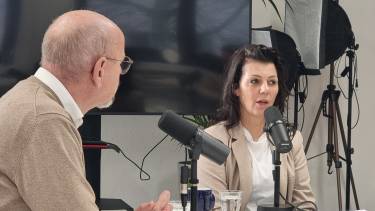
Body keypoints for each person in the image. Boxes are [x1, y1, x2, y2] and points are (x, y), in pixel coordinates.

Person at [0, 10, 171, 211]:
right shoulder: (46, 121)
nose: (121, 75)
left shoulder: (28, 97)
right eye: (122, 65)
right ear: (100, 69)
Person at [197, 44, 316, 211]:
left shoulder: (291, 139)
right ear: (236, 88)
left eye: (272, 82)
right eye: (255, 81)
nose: (265, 89)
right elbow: (212, 207)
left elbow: (306, 204)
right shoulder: (213, 140)